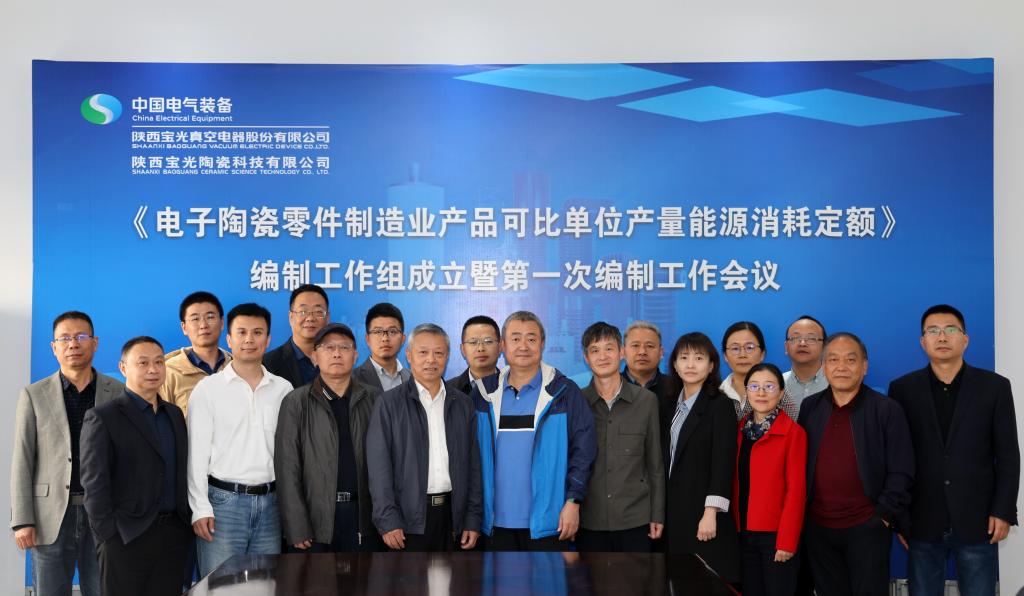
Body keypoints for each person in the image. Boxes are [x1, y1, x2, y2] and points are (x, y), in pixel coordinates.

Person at [888, 305, 1020, 596]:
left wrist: (1003, 510)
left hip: (978, 519)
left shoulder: (995, 387)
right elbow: (896, 458)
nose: (942, 337)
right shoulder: (902, 389)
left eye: (951, 329)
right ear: (923, 341)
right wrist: (900, 517)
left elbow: (1008, 455)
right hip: (922, 520)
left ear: (965, 339)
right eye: (933, 331)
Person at [10, 311, 123, 596]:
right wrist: (23, 520)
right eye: (65, 338)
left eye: (81, 336)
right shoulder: (34, 395)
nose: (73, 344)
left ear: (95, 343)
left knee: (103, 590)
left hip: (103, 513)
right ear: (54, 347)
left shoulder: (118, 392)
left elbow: (127, 458)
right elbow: (22, 459)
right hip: (50, 517)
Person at [798, 332, 914, 596]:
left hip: (867, 527)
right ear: (823, 366)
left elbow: (902, 468)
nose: (841, 366)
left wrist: (883, 515)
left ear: (864, 366)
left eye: (850, 360)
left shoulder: (886, 409)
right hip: (818, 529)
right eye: (833, 359)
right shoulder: (810, 407)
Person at [472, 310, 596, 551]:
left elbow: (584, 452)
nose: (523, 346)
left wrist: (573, 500)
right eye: (515, 338)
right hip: (493, 524)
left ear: (542, 343)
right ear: (503, 345)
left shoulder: (564, 392)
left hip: (549, 522)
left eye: (531, 338)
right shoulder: (482, 394)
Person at [187, 303, 293, 576]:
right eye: (242, 332)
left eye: (257, 333)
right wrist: (200, 508)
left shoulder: (283, 389)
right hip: (223, 506)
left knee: (265, 586)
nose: (249, 339)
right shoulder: (208, 390)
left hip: (271, 505)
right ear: (229, 339)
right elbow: (196, 455)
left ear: (268, 340)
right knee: (220, 586)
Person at [80, 337, 191, 596]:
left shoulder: (174, 414)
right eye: (143, 363)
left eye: (159, 362)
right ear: (123, 368)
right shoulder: (103, 417)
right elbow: (94, 483)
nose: (153, 369)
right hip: (125, 537)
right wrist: (109, 535)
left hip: (173, 536)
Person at [367, 323, 482, 551]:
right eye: (423, 352)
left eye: (438, 353)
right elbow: (379, 468)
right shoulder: (388, 404)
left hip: (453, 517)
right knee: (411, 576)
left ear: (447, 356)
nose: (431, 360)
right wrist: (388, 519)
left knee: (453, 575)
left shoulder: (463, 403)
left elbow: (473, 466)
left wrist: (472, 517)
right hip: (407, 521)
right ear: (409, 356)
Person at [275, 323, 384, 553]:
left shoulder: (375, 399)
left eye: (344, 347)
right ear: (314, 357)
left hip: (364, 519)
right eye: (328, 347)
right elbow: (287, 468)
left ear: (355, 356)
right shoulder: (296, 402)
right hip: (315, 521)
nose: (336, 353)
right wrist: (296, 525)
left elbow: (386, 462)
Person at [577, 322, 664, 552]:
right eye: (595, 350)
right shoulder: (577, 402)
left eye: (609, 348)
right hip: (589, 520)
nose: (603, 356)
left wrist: (657, 513)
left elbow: (654, 464)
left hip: (635, 520)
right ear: (586, 358)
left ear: (622, 352)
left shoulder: (646, 401)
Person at [660, 332, 740, 582]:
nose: (691, 365)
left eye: (699, 358)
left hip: (703, 513)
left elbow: (723, 464)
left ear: (711, 365)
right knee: (677, 581)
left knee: (703, 582)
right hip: (673, 512)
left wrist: (711, 513)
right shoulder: (667, 405)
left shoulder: (721, 405)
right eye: (684, 358)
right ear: (674, 365)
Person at [733, 363, 807, 596]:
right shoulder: (738, 430)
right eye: (754, 386)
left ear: (782, 393)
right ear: (747, 391)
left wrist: (787, 541)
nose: (761, 393)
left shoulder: (793, 432)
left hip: (775, 538)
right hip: (742, 534)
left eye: (769, 386)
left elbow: (796, 492)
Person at [163, 291, 232, 418]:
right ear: (184, 327)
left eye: (210, 317)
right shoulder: (168, 373)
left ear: (222, 322)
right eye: (195, 319)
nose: (203, 325)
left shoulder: (237, 368)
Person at [720, 322, 797, 421]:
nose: (742, 355)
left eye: (749, 347)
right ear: (725, 356)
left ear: (762, 354)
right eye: (735, 348)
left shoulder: (778, 392)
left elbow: (793, 426)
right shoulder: (717, 394)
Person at [263, 284, 330, 388]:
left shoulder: (337, 359)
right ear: (291, 317)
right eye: (303, 312)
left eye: (318, 312)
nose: (310, 318)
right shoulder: (268, 364)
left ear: (327, 318)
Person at [352, 302, 411, 391]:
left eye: (392, 331)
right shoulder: (351, 379)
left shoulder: (415, 379)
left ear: (403, 339)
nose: (385, 338)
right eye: (378, 332)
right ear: (367, 339)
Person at [781, 315, 828, 416]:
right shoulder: (776, 384)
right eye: (795, 338)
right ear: (786, 347)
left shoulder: (837, 384)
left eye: (811, 338)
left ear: (824, 347)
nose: (802, 343)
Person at [446, 315, 501, 395]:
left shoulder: (513, 386)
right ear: (463, 349)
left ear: (500, 347)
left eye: (488, 341)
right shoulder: (447, 391)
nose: (480, 348)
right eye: (473, 342)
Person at [621, 320, 672, 400]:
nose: (642, 352)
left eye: (649, 346)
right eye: (635, 345)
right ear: (623, 352)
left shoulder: (675, 387)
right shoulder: (610, 387)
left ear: (661, 352)